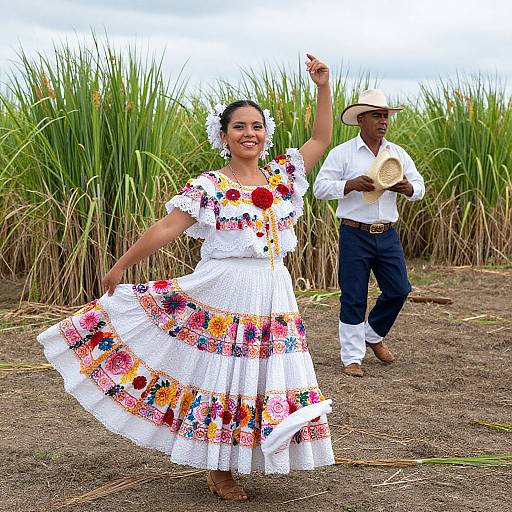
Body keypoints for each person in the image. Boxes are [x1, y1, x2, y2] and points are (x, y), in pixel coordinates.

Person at [37, 54, 334, 502]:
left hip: (273, 289)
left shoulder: (282, 176)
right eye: (239, 127)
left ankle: (249, 455)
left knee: (262, 374)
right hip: (224, 287)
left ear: (266, 134)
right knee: (224, 373)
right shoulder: (210, 186)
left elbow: (320, 137)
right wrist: (121, 265)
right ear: (223, 135)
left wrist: (323, 86)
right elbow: (166, 227)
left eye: (256, 126)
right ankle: (219, 470)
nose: (249, 133)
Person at [313, 89, 425, 378]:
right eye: (376, 116)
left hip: (387, 233)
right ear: (361, 119)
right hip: (355, 233)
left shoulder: (396, 154)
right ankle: (352, 358)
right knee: (353, 295)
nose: (383, 121)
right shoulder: (343, 153)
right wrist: (349, 184)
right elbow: (319, 188)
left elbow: (419, 187)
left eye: (385, 116)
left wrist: (407, 188)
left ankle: (372, 333)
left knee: (399, 289)